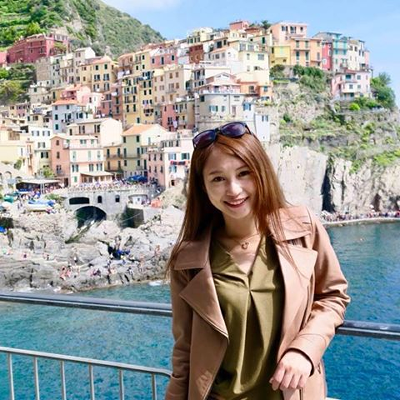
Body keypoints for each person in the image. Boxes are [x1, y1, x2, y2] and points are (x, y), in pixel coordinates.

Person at [165, 122, 350, 400]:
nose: (233, 189)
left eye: (244, 173)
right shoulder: (188, 259)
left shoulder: (303, 227)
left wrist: (305, 350)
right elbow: (184, 351)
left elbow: (333, 296)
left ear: (261, 172)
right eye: (218, 179)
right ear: (203, 187)